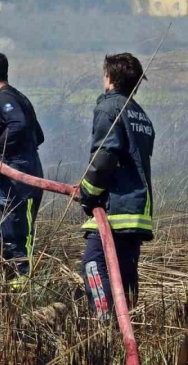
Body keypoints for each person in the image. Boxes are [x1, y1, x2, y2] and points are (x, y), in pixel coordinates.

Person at [79, 53, 154, 319]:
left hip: (114, 210)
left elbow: (105, 156)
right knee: (125, 270)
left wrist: (87, 193)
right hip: (136, 213)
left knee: (92, 264)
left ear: (109, 78)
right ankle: (128, 321)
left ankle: (105, 324)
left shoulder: (110, 107)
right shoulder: (141, 115)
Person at [0, 51, 44, 280]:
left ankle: (22, 286)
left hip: (18, 177)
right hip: (25, 170)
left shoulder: (4, 99)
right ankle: (12, 285)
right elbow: (38, 135)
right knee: (12, 234)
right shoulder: (19, 97)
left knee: (15, 235)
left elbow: (19, 125)